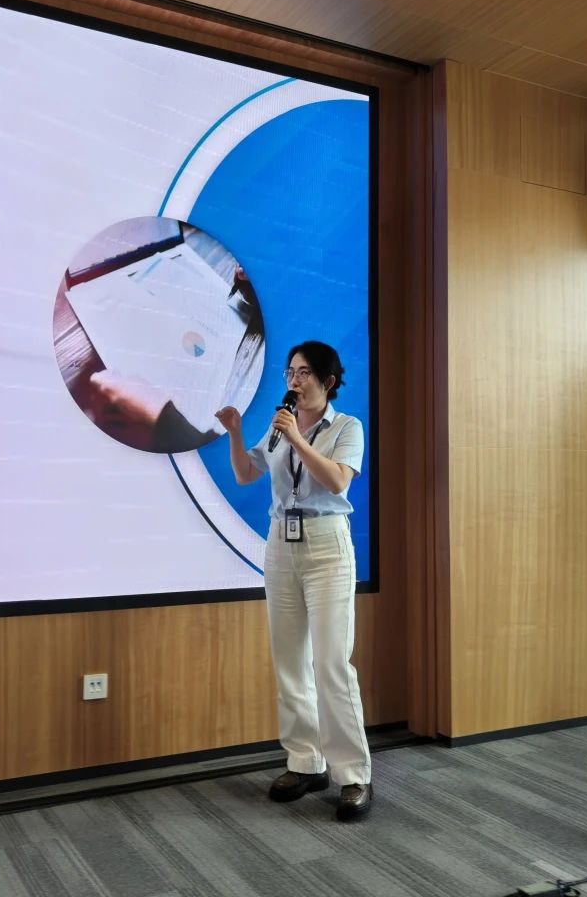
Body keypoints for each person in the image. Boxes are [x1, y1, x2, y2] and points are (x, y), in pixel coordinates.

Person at [214, 340, 371, 821]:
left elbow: (337, 481)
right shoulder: (279, 425)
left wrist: (298, 439)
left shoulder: (346, 427)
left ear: (327, 380)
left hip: (327, 547)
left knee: (331, 662)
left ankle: (353, 774)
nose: (294, 381)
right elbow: (246, 474)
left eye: (303, 373)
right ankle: (305, 762)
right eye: (290, 372)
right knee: (290, 662)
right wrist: (236, 432)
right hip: (280, 544)